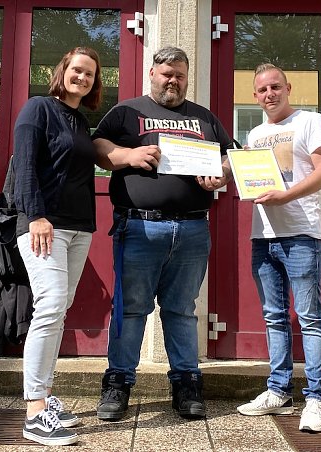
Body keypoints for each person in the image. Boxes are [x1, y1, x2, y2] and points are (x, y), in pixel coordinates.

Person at [92, 46, 232, 421]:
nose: (173, 80)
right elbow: (98, 146)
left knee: (181, 311)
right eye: (167, 73)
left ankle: (187, 385)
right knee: (131, 308)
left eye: (180, 75)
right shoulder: (127, 112)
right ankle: (118, 384)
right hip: (138, 226)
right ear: (152, 73)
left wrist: (221, 171)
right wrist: (128, 157)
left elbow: (229, 154)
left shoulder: (203, 117)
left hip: (192, 229)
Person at [235, 64, 321, 433]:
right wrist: (220, 175)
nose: (269, 94)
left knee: (309, 318)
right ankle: (278, 391)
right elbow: (247, 175)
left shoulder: (311, 122)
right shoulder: (257, 133)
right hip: (263, 236)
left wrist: (285, 195)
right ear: (255, 96)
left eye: (275, 87)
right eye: (262, 90)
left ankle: (316, 399)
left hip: (303, 235)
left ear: (288, 88)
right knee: (274, 316)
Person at [12, 46, 103, 446]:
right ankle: (34, 409)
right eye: (77, 70)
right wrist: (36, 215)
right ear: (62, 70)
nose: (82, 78)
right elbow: (25, 165)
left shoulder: (81, 121)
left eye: (90, 75)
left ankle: (45, 397)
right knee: (49, 305)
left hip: (78, 228)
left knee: (59, 308)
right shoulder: (38, 108)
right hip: (43, 224)